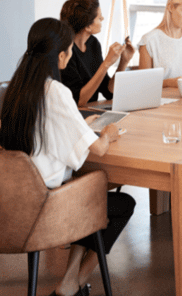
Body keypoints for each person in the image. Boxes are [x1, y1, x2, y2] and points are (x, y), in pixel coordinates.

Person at [0, 18, 135, 296]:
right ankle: (74, 281)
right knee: (118, 202)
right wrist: (107, 133)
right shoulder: (56, 92)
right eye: (70, 50)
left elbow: (41, 132)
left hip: (10, 204)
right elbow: (97, 150)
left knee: (90, 196)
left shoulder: (14, 89)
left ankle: (70, 282)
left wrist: (78, 127)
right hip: (46, 208)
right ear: (61, 55)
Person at [60, 0, 135, 106]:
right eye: (99, 17)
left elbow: (108, 92)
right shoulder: (66, 52)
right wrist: (106, 64)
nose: (103, 18)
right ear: (88, 26)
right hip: (76, 115)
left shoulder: (93, 44)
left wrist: (123, 61)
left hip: (91, 111)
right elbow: (78, 101)